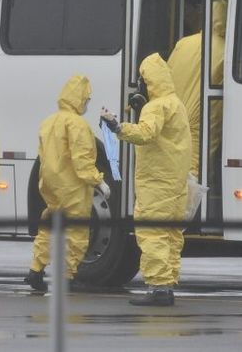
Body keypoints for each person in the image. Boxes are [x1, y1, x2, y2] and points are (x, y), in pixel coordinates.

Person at [101, 53, 191, 306]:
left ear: (148, 81)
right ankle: (167, 284)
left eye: (142, 80)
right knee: (171, 235)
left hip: (156, 182)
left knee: (152, 233)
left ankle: (158, 288)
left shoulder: (156, 107)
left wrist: (118, 128)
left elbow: (146, 134)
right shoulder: (176, 103)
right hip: (175, 182)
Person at [26, 75, 109, 293]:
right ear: (79, 98)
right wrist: (98, 181)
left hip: (50, 184)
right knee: (76, 231)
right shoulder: (78, 125)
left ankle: (36, 270)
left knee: (50, 227)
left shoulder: (49, 121)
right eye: (86, 99)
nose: (87, 104)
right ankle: (67, 276)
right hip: (72, 186)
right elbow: (82, 161)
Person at [166, 0, 227, 179]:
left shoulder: (183, 43)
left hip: (175, 112)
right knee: (194, 167)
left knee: (173, 162)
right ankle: (187, 207)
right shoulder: (227, 50)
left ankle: (171, 204)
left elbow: (166, 75)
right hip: (202, 117)